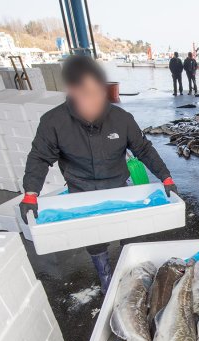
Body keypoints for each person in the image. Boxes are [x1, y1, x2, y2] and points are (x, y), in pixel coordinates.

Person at [20, 55, 178, 293]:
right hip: (81, 189)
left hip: (118, 185)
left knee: (130, 231)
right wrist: (31, 193)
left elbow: (143, 149)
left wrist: (165, 177)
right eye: (86, 93)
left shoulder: (121, 118)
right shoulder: (54, 122)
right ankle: (105, 274)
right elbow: (40, 158)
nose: (94, 100)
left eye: (98, 92)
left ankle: (132, 274)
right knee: (94, 236)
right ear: (72, 91)